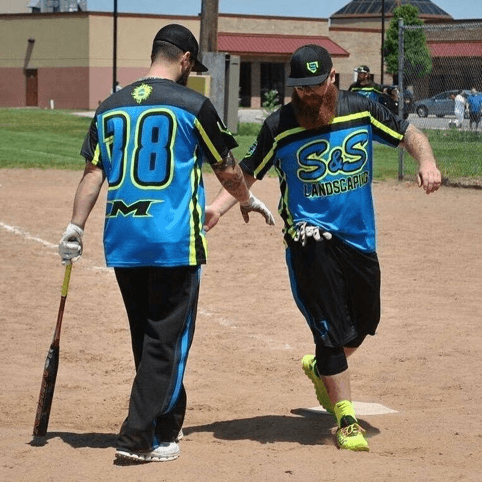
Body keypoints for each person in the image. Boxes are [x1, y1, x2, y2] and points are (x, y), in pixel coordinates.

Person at [205, 45, 441, 452]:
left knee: (364, 323)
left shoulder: (360, 109)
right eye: (301, 90)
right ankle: (345, 418)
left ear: (333, 78)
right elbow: (248, 170)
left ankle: (319, 367)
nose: (309, 97)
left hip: (359, 238)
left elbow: (408, 133)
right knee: (330, 327)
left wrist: (427, 161)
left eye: (316, 87)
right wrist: (219, 207)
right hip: (308, 238)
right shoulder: (279, 125)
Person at [58, 23, 275, 464]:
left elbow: (93, 175)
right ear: (186, 61)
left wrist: (75, 227)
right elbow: (227, 168)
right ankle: (137, 435)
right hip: (173, 239)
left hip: (123, 238)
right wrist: (247, 199)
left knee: (147, 335)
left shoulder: (110, 108)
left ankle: (165, 425)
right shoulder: (193, 105)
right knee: (166, 340)